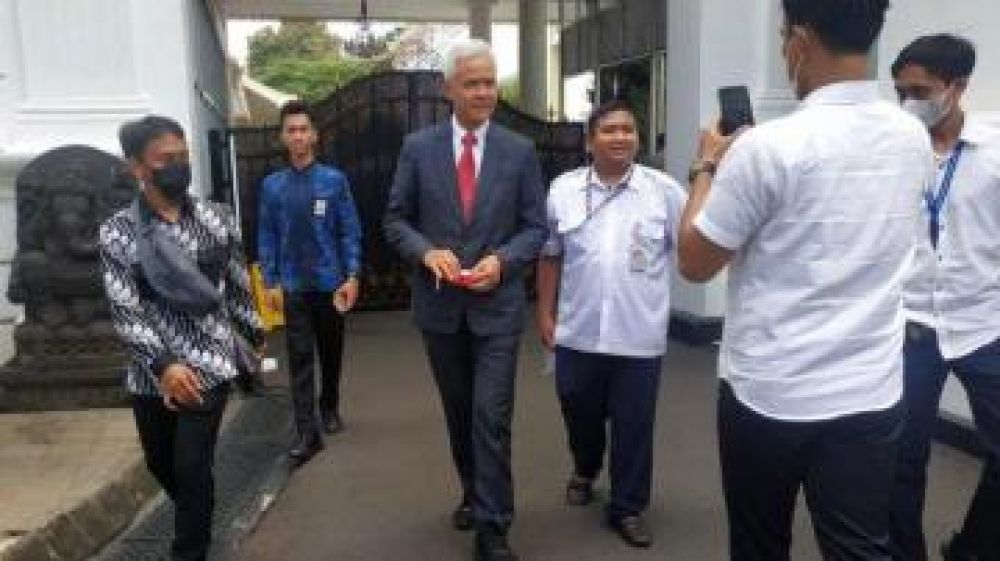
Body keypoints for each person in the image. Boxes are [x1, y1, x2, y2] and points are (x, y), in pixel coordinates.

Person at [675, 0, 935, 559]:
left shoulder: (766, 148)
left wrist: (706, 166)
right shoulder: (912, 135)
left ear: (799, 41)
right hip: (870, 389)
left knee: (760, 543)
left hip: (770, 392)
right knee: (860, 547)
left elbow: (695, 261)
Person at [383, 38, 546, 561]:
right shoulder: (418, 149)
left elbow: (535, 228)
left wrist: (504, 261)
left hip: (498, 310)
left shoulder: (519, 151)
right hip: (441, 310)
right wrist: (427, 252)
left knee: (490, 416)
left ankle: (494, 527)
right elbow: (395, 220)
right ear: (448, 88)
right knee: (459, 414)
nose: (483, 92)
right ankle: (474, 492)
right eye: (472, 83)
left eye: (490, 82)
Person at [99, 115, 264, 561]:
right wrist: (163, 365)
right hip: (150, 371)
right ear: (136, 167)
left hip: (208, 363)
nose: (178, 166)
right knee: (162, 465)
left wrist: (252, 334)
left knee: (191, 468)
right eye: (164, 159)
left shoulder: (216, 219)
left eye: (183, 156)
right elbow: (124, 308)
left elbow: (238, 282)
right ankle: (200, 508)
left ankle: (189, 550)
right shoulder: (118, 232)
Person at [536, 100, 687, 548]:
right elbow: (550, 255)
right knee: (577, 408)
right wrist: (544, 313)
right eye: (609, 130)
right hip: (578, 331)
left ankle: (628, 506)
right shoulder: (563, 190)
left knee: (633, 425)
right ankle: (585, 466)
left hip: (638, 334)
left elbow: (692, 248)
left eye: (628, 129)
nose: (620, 137)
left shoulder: (664, 192)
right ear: (589, 142)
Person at [889, 34, 1000, 561]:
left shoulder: (996, 149)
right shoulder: (892, 151)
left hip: (985, 323)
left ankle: (974, 548)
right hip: (910, 326)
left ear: (957, 87)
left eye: (921, 91)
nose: (909, 102)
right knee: (900, 459)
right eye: (900, 92)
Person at [258, 100, 363, 467]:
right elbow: (267, 234)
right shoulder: (272, 186)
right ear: (282, 137)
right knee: (299, 357)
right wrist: (270, 280)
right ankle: (306, 431)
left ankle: (329, 405)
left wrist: (352, 275)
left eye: (304, 129)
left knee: (331, 350)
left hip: (330, 282)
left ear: (315, 135)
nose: (298, 136)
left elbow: (349, 231)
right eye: (292, 130)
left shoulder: (334, 181)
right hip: (293, 285)